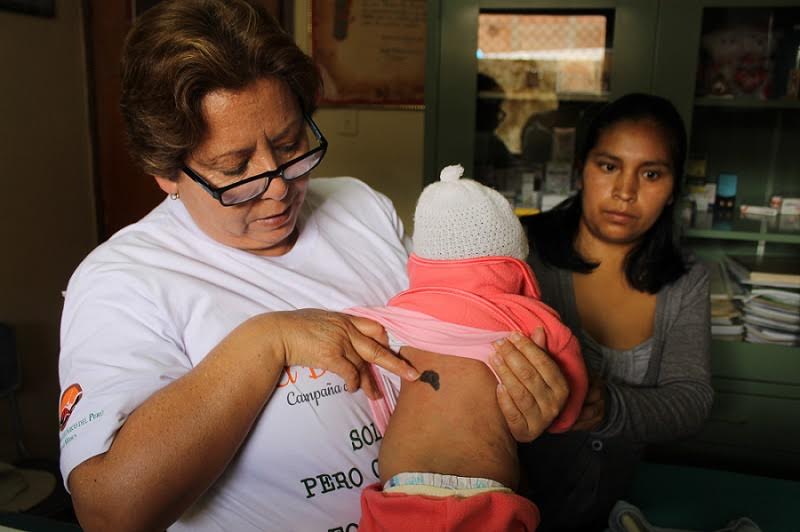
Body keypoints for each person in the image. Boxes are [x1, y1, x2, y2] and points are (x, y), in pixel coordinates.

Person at [56, 1, 569, 530]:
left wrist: (518, 406)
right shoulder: (121, 282)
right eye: (235, 170)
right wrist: (266, 343)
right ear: (166, 171)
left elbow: (456, 344)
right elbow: (110, 512)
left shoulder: (359, 207)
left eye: (289, 144)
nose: (278, 187)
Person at [346, 164, 588, 531]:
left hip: (401, 488)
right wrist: (563, 415)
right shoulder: (530, 318)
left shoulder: (398, 313)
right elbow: (569, 406)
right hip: (487, 493)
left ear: (419, 263)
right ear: (514, 265)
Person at [519, 93, 714, 531]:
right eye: (609, 166)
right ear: (581, 170)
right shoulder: (520, 256)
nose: (625, 192)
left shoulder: (687, 279)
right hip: (508, 510)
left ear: (672, 189)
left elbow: (692, 399)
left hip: (609, 513)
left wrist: (612, 408)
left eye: (651, 174)